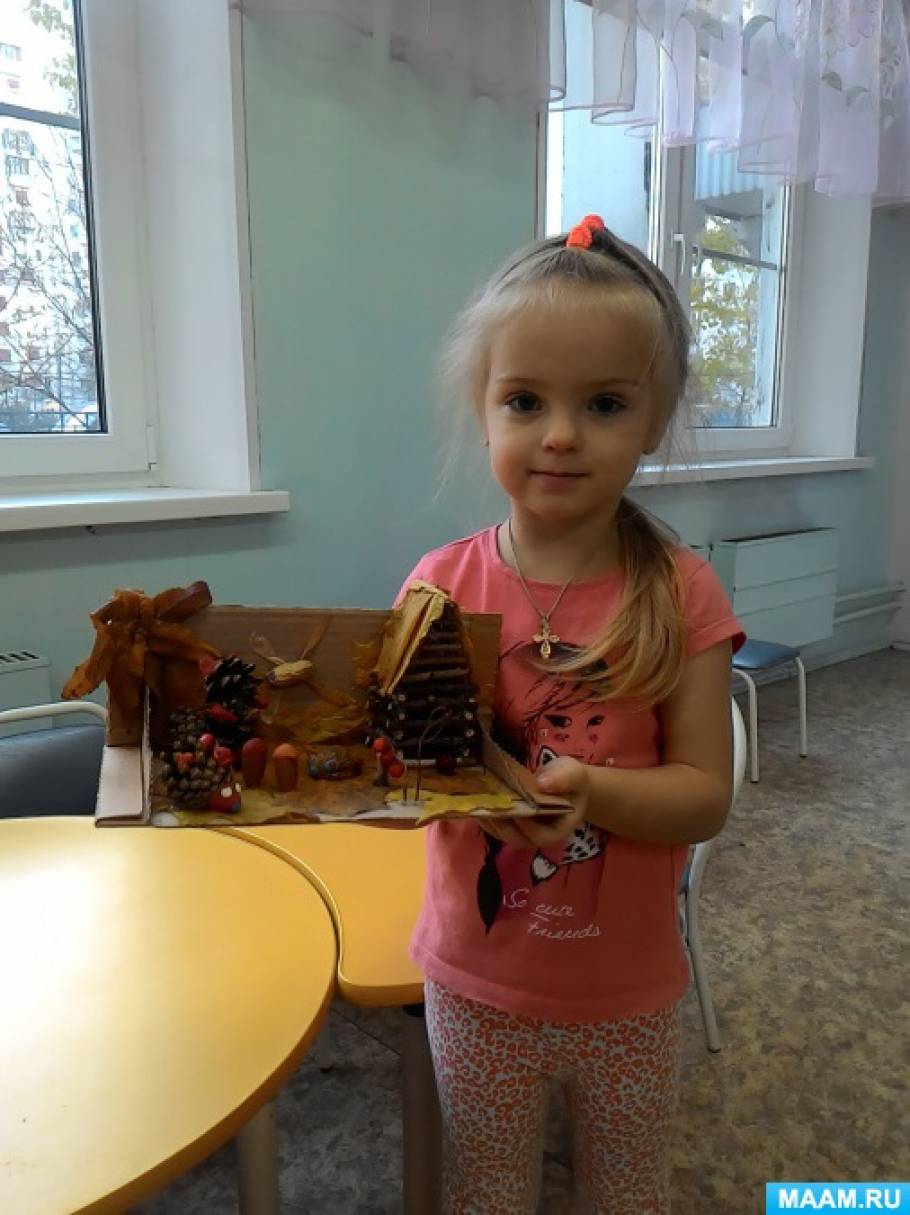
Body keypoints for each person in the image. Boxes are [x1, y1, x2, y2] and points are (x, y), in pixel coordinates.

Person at [395, 213, 745, 1215]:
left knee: (626, 1190)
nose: (558, 433)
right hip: (474, 978)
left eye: (603, 403)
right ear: (485, 410)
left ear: (653, 421)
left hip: (625, 988)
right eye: (525, 400)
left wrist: (590, 789)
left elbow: (704, 796)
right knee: (489, 1190)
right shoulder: (436, 587)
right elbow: (402, 770)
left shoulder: (681, 593)